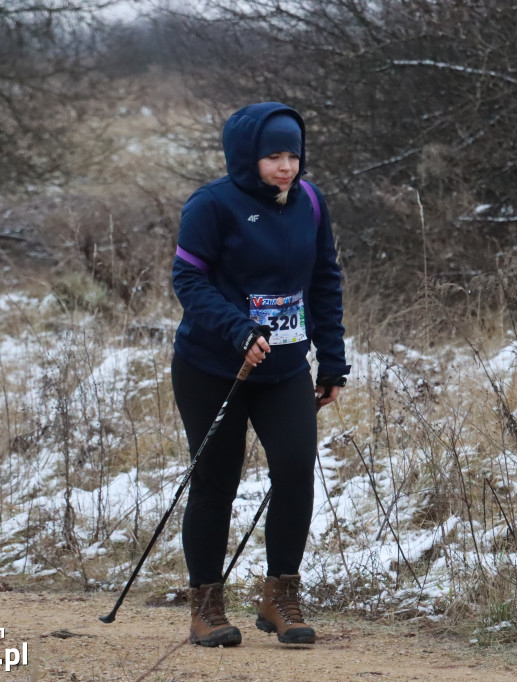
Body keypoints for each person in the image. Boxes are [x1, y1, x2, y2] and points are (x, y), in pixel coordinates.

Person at [170, 101, 351, 647]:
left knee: (296, 471)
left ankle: (280, 598)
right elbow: (189, 280)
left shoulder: (311, 202)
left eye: (293, 154)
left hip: (287, 368)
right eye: (273, 155)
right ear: (247, 155)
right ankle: (206, 605)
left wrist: (333, 358)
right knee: (216, 484)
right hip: (212, 368)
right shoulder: (211, 205)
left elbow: (325, 279)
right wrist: (239, 329)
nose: (286, 166)